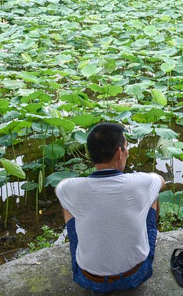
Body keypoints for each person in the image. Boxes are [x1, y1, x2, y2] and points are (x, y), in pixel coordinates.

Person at [56, 123, 165, 293]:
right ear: (119, 152)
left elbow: (59, 187)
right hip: (135, 274)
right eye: (126, 146)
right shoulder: (141, 182)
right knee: (153, 195)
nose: (128, 151)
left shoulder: (72, 188)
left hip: (90, 278)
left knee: (68, 205)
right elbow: (161, 181)